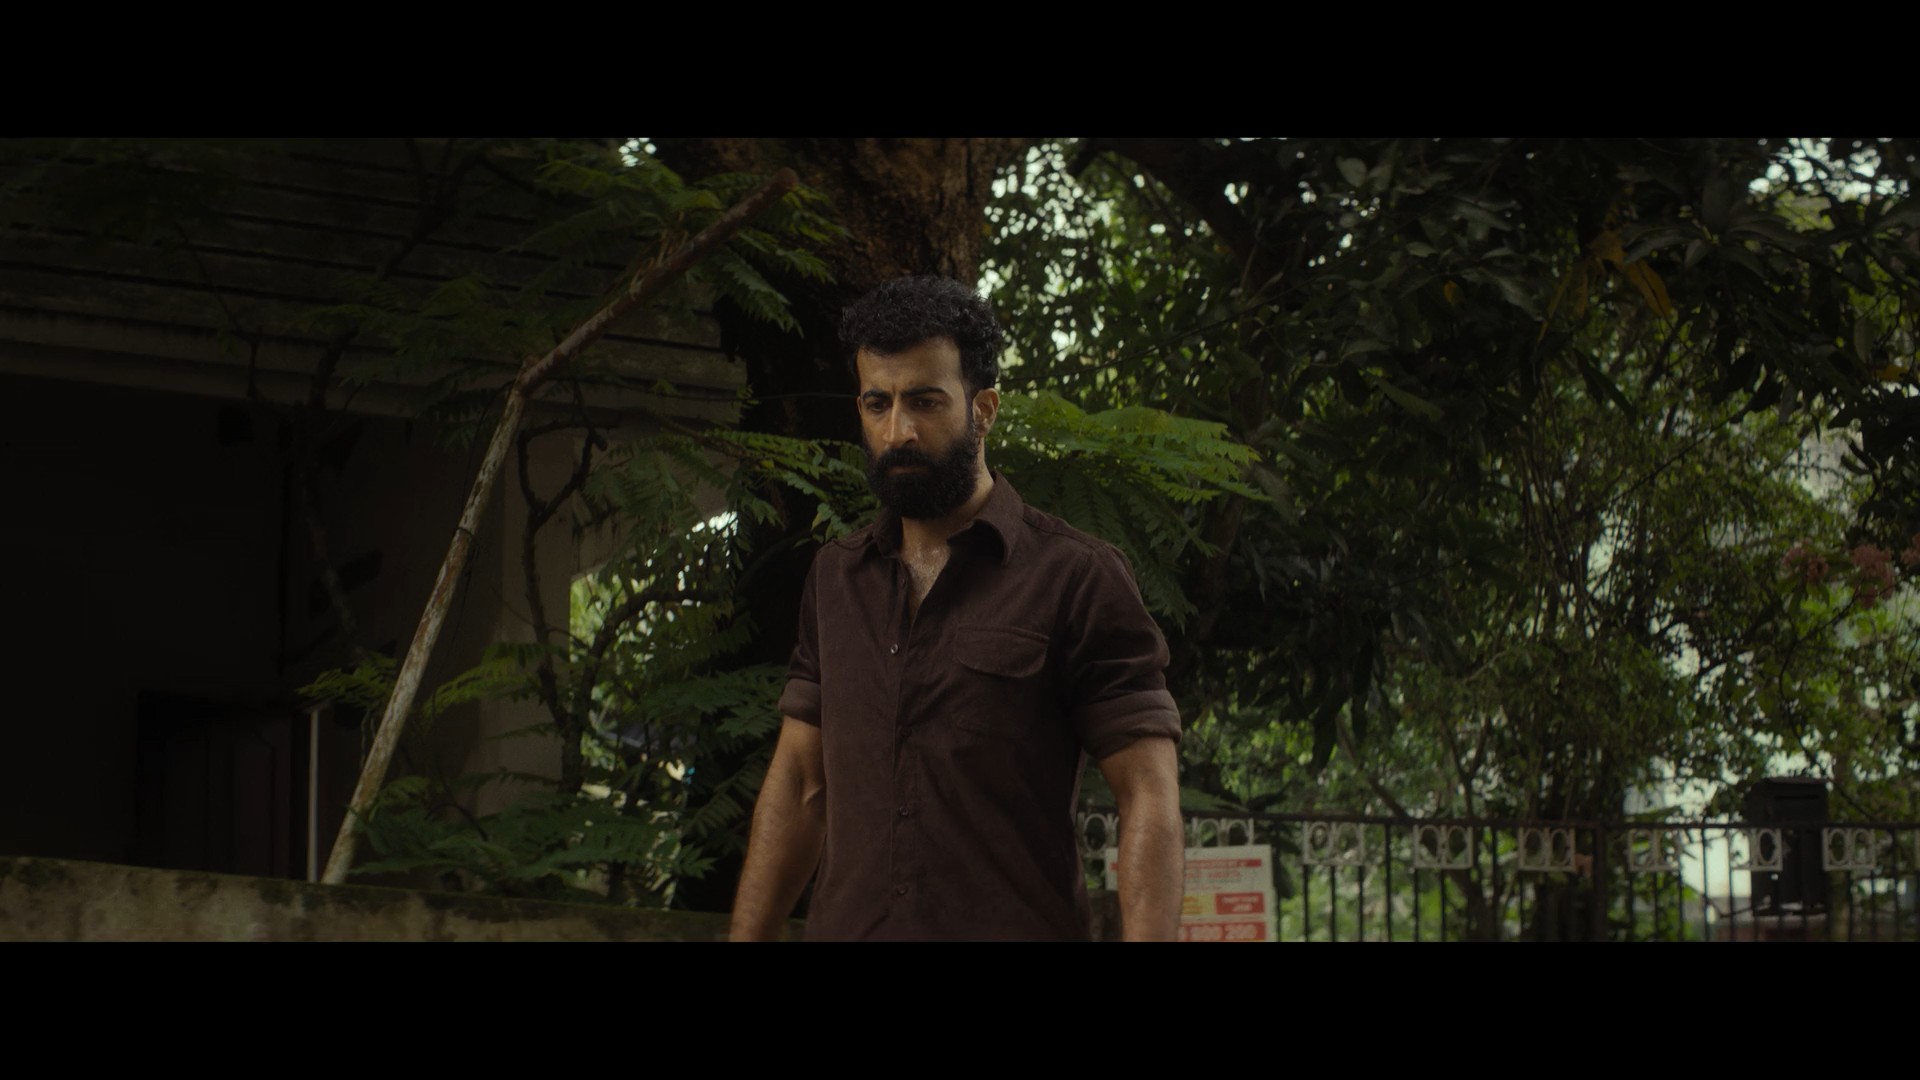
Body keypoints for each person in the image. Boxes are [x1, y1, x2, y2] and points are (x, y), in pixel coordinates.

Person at [728, 275, 1186, 941]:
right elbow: (801, 784)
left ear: (984, 409)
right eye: (878, 404)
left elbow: (1147, 793)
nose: (899, 431)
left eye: (925, 401)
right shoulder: (836, 578)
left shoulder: (1075, 577)